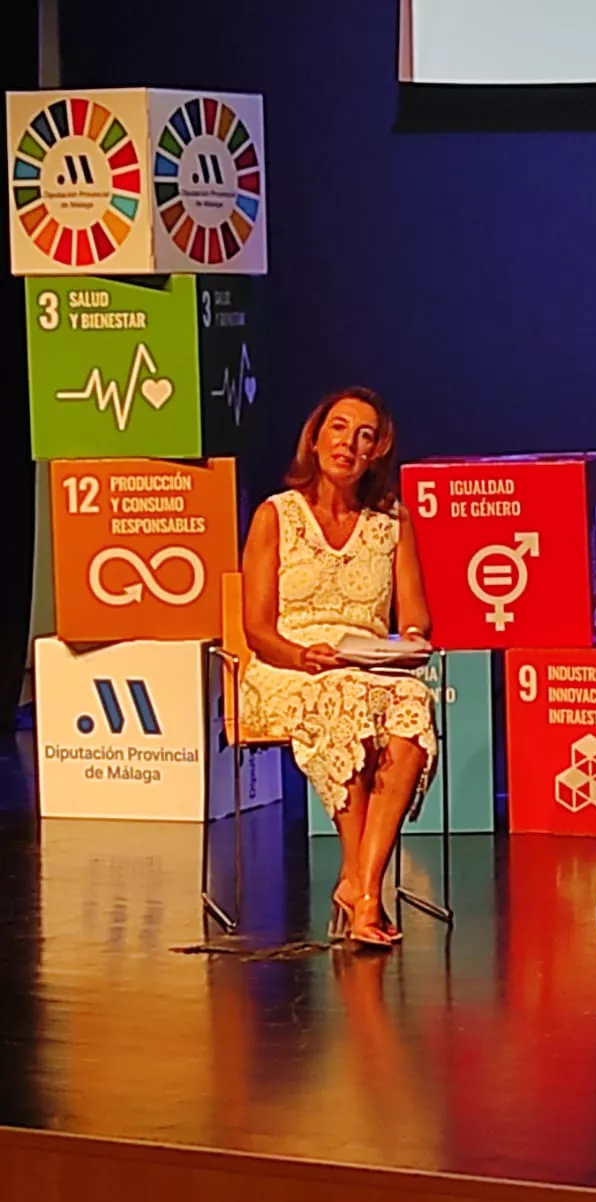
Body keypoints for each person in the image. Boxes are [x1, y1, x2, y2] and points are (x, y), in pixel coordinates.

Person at [240, 387, 437, 949]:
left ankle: (362, 884)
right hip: (288, 667)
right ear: (316, 437)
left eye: (365, 435)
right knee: (344, 698)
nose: (349, 443)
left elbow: (416, 614)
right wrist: (304, 656)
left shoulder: (391, 521)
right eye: (339, 428)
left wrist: (410, 643)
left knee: (411, 704)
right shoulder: (275, 515)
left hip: (367, 665)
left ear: (377, 452)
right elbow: (257, 630)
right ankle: (364, 888)